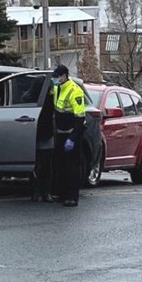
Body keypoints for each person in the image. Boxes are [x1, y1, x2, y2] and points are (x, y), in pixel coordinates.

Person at [49, 64, 88, 207]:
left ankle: (72, 197)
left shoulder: (74, 91)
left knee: (72, 167)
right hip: (60, 132)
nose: (55, 79)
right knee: (60, 165)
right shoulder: (57, 87)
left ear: (64, 76)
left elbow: (80, 118)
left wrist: (72, 138)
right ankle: (61, 194)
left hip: (72, 133)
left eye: (57, 77)